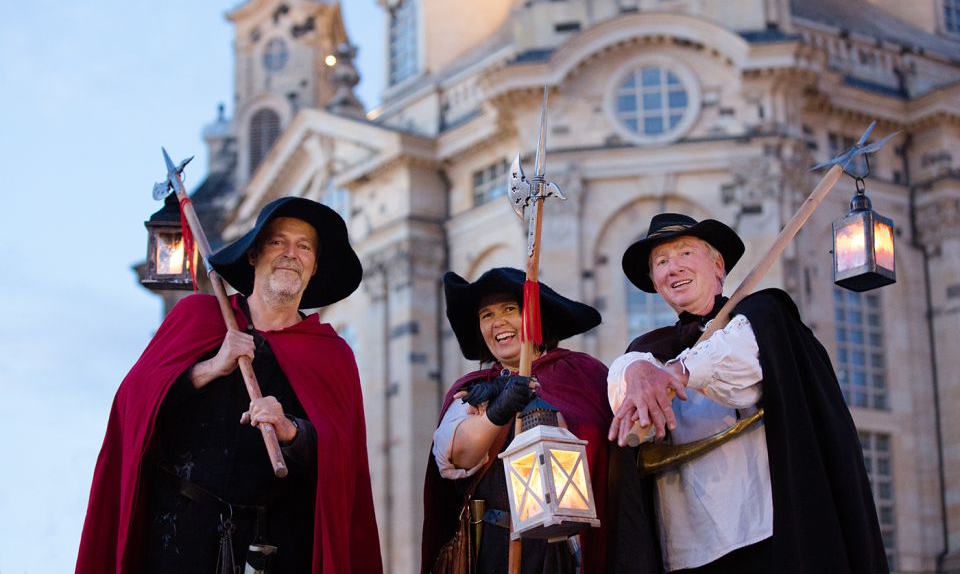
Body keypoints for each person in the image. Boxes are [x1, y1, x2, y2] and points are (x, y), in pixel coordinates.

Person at [76, 197, 382, 574]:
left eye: (303, 247)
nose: (290, 254)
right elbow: (132, 404)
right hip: (178, 535)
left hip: (276, 546)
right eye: (277, 242)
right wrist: (209, 368)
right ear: (253, 255)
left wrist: (293, 432)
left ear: (314, 266)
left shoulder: (332, 355)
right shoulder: (197, 317)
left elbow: (343, 460)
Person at [606, 213, 888, 573]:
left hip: (764, 531)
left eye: (685, 254)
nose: (672, 268)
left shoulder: (761, 316)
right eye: (661, 262)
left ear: (718, 265)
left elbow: (740, 360)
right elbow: (621, 390)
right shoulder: (646, 351)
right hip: (686, 545)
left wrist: (679, 372)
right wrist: (635, 370)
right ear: (656, 284)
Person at [421, 267, 614, 574]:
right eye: (486, 315)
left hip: (578, 545)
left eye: (509, 309)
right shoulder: (473, 390)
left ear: (535, 316)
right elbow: (457, 454)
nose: (497, 322)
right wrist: (498, 411)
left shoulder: (585, 374)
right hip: (499, 548)